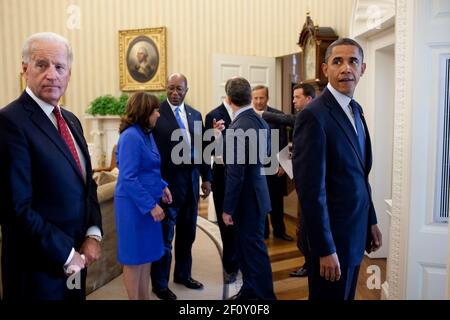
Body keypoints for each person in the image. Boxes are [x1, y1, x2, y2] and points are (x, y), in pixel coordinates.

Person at [0, 32, 102, 300]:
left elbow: (86, 184)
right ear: (25, 69)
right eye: (41, 65)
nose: (52, 75)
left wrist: (93, 233)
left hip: (77, 260)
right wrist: (67, 254)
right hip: (36, 272)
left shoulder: (72, 121)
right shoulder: (9, 122)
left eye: (59, 67)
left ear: (69, 73)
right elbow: (15, 208)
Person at [292, 38, 382, 300]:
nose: (346, 68)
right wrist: (324, 249)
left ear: (362, 68)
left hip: (354, 232)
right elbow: (310, 192)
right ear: (324, 69)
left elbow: (360, 174)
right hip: (330, 242)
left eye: (353, 61)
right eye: (337, 61)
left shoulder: (356, 110)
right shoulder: (314, 115)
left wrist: (372, 219)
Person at [150, 73, 212, 300]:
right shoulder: (156, 113)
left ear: (187, 90)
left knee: (188, 233)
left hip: (192, 183)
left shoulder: (195, 115)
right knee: (165, 237)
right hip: (167, 186)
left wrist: (206, 177)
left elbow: (202, 148)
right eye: (171, 88)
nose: (175, 93)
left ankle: (183, 275)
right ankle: (160, 284)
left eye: (179, 89)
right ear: (166, 88)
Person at [114, 92, 172, 300]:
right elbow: (129, 177)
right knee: (134, 259)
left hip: (147, 203)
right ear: (145, 111)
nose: (158, 114)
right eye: (156, 110)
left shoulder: (146, 133)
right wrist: (151, 206)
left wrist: (163, 187)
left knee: (146, 257)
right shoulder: (131, 136)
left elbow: (150, 168)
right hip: (134, 208)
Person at [222, 77, 276, 300]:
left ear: (228, 99)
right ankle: (249, 291)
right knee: (246, 249)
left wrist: (227, 208)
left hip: (246, 199)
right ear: (248, 96)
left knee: (254, 253)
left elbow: (236, 174)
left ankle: (266, 299)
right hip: (257, 194)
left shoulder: (239, 125)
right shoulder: (258, 119)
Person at [205, 79, 239, 284]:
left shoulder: (246, 112)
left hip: (242, 177)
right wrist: (215, 136)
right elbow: (206, 149)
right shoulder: (212, 115)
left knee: (240, 222)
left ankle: (242, 260)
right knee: (226, 224)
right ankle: (230, 266)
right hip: (222, 177)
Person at [251, 85, 292, 241]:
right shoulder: (247, 116)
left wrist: (283, 164)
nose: (259, 101)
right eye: (256, 98)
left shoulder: (278, 115)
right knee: (259, 200)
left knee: (276, 201)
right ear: (251, 99)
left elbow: (283, 141)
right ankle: (263, 233)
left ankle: (279, 231)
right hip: (256, 167)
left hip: (275, 166)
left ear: (267, 98)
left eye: (262, 98)